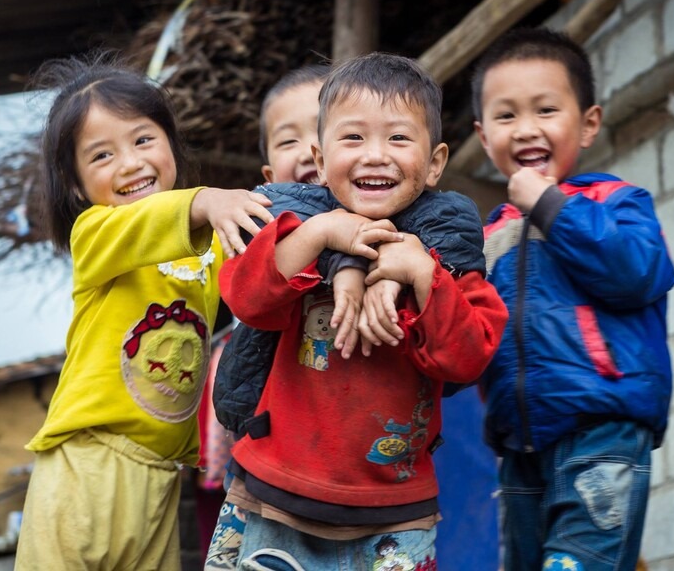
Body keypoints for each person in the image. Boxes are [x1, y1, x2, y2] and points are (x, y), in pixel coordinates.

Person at [217, 52, 508, 570]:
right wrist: (320, 233)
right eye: (353, 138)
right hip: (273, 495)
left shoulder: (450, 258)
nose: (376, 155)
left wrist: (422, 273)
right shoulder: (295, 234)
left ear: (436, 162)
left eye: (398, 138)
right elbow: (247, 299)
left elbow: (467, 358)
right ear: (320, 159)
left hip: (395, 516)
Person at [13, 52, 275, 571]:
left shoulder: (206, 247)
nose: (130, 163)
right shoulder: (95, 234)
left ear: (171, 146)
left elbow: (263, 261)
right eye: (102, 156)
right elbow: (152, 222)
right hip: (88, 463)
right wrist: (206, 199)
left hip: (161, 472)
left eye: (143, 140)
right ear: (75, 185)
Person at [471, 26, 674, 571]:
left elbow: (635, 272)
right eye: (506, 115)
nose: (526, 130)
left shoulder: (617, 202)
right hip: (518, 445)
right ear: (483, 135)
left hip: (601, 431)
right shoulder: (490, 235)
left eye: (545, 110)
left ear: (588, 124)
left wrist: (550, 204)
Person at [201, 63, 331, 569]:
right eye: (288, 141)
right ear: (268, 176)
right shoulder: (260, 239)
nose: (308, 152)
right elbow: (246, 298)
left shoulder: (398, 228)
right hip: (275, 465)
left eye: (323, 131)